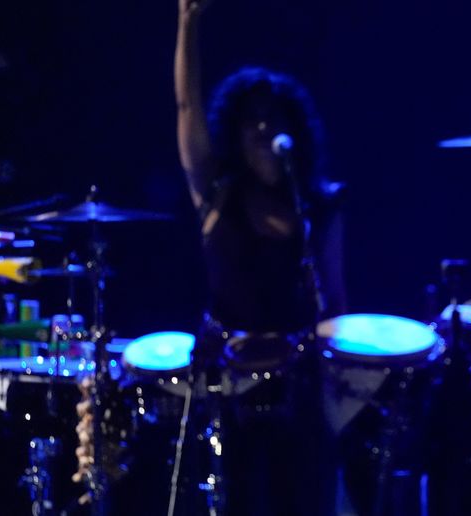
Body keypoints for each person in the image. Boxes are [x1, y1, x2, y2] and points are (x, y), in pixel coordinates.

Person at [173, 1, 343, 514]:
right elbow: (186, 108)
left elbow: (334, 295)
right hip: (226, 378)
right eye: (253, 123)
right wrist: (188, 23)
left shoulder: (318, 204)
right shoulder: (216, 193)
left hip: (299, 379)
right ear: (235, 133)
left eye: (274, 121)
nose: (265, 132)